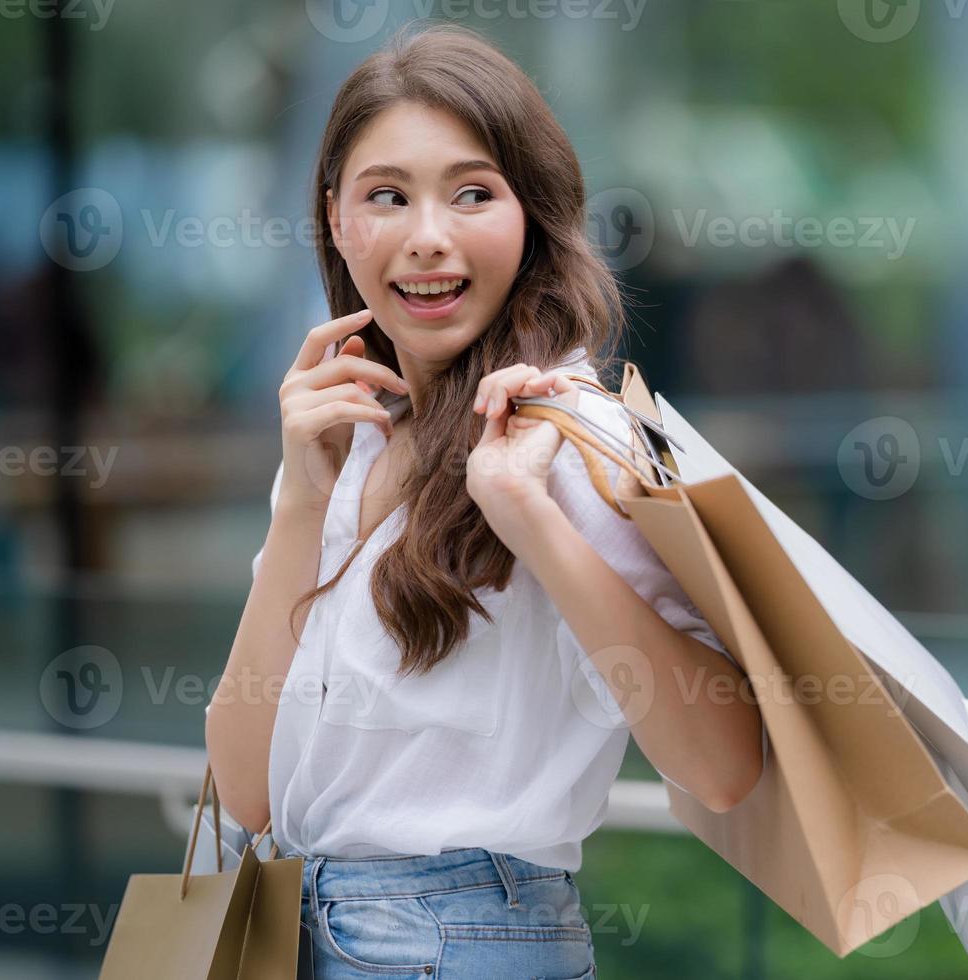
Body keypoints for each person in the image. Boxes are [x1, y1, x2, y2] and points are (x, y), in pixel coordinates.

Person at [204, 24, 765, 978]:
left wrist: (529, 517)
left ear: (534, 218)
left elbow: (722, 768)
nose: (429, 237)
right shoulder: (351, 429)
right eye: (388, 195)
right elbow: (245, 792)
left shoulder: (575, 438)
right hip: (298, 924)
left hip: (461, 940)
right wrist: (302, 501)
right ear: (337, 218)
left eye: (473, 194)